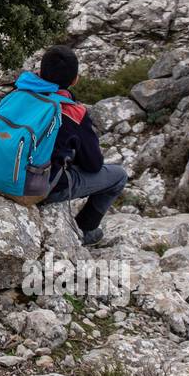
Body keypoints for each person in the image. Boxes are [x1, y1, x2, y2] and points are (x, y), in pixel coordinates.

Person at [36, 45, 128, 246]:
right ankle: (86, 230)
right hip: (43, 187)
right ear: (75, 79)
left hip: (2, 173)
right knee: (119, 176)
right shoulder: (73, 112)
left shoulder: (18, 94)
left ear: (40, 72)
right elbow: (93, 164)